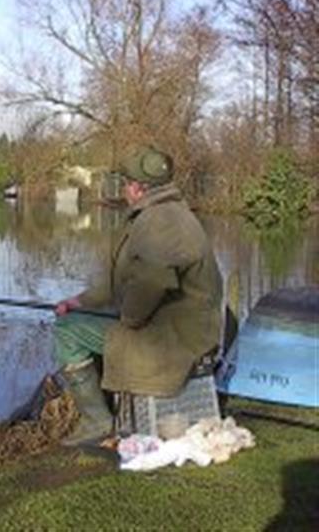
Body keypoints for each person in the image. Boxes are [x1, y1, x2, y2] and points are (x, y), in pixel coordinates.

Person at [53, 146, 223, 446]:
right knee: (78, 317)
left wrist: (127, 319)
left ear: (136, 188)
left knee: (67, 331)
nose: (123, 190)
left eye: (125, 184)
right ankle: (106, 409)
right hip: (172, 325)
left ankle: (97, 421)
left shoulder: (160, 223)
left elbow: (150, 284)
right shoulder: (167, 213)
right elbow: (121, 281)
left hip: (174, 339)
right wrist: (79, 302)